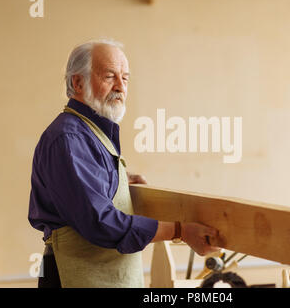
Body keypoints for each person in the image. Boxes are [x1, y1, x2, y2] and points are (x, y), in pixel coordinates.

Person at [28, 38, 219, 288]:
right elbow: (100, 222)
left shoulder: (90, 132)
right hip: (71, 276)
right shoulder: (69, 137)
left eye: (125, 78)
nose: (120, 86)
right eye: (109, 76)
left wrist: (116, 180)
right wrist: (180, 230)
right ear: (78, 82)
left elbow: (84, 193)